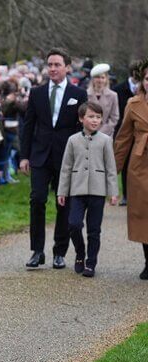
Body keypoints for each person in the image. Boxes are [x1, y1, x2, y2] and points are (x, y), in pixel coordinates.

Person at [19, 48, 87, 270]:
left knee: (63, 204)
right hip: (40, 155)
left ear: (67, 67)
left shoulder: (78, 94)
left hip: (66, 157)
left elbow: (81, 128)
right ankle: (37, 251)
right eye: (49, 64)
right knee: (37, 199)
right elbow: (28, 126)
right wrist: (24, 156)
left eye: (57, 64)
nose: (52, 68)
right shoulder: (37, 93)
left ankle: (60, 252)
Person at [57, 102, 119, 277]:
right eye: (91, 116)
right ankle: (80, 253)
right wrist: (62, 191)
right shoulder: (73, 140)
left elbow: (111, 168)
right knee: (73, 224)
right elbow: (66, 167)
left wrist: (113, 192)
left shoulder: (106, 140)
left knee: (94, 229)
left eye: (98, 117)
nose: (95, 120)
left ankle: (91, 263)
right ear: (81, 118)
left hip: (97, 191)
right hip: (76, 190)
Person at [114, 59, 148, 279]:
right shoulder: (133, 104)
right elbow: (123, 138)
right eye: (147, 78)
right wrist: (111, 174)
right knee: (142, 214)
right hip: (140, 164)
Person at [112, 61, 141, 206]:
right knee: (126, 163)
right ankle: (126, 195)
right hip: (124, 130)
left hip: (141, 134)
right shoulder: (118, 89)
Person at [86, 64, 119, 136]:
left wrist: (100, 132)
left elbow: (114, 118)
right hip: (88, 134)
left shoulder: (113, 95)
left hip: (106, 134)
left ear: (106, 79)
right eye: (97, 77)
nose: (100, 80)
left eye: (102, 77)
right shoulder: (85, 94)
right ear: (93, 79)